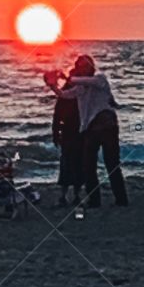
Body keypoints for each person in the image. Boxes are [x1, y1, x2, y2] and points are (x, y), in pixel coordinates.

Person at [49, 55, 128, 208]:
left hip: (107, 127)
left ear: (91, 67)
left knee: (111, 164)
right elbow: (63, 95)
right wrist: (53, 85)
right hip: (90, 128)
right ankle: (94, 200)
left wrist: (66, 77)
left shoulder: (100, 79)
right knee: (88, 166)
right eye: (80, 66)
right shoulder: (80, 87)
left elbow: (84, 81)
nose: (82, 69)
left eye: (85, 66)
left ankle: (121, 199)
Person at [52, 72, 83, 208]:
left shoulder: (70, 92)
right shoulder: (80, 93)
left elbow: (57, 115)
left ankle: (66, 196)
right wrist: (56, 132)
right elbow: (57, 115)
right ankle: (73, 195)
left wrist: (56, 132)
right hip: (76, 131)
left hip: (73, 132)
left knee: (68, 163)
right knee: (75, 163)